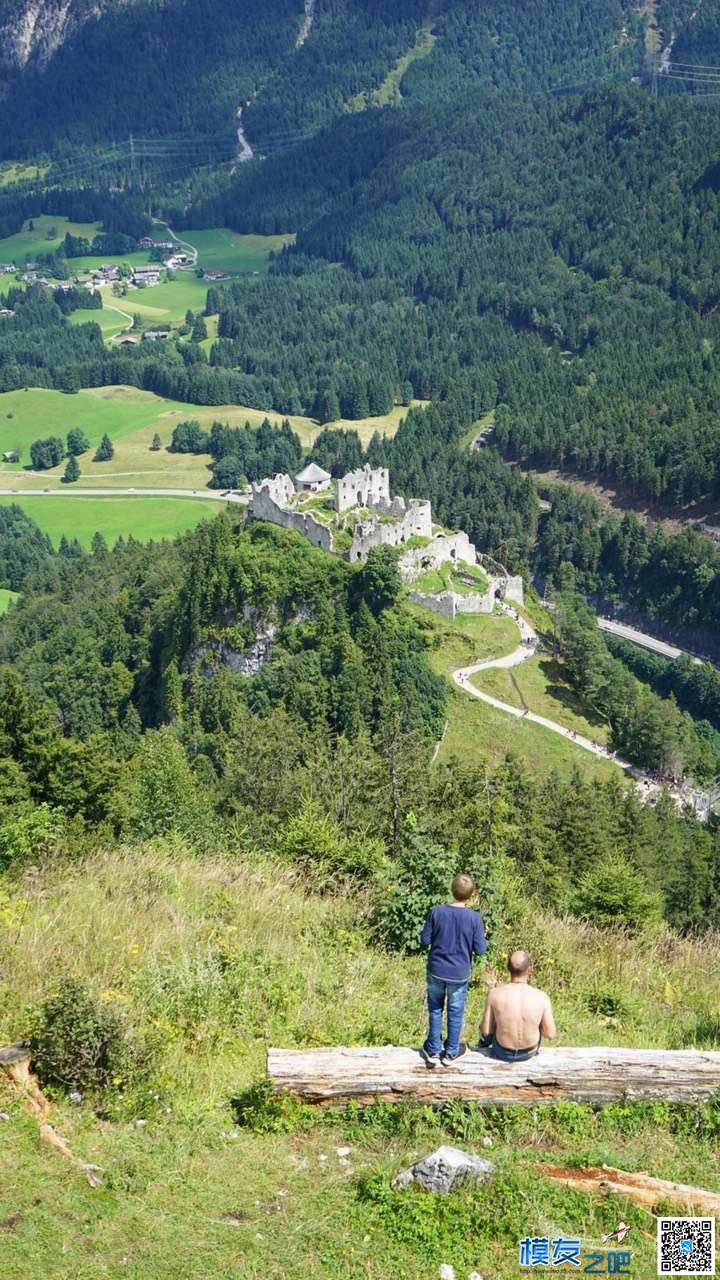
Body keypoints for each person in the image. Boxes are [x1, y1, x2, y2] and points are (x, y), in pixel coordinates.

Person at [419, 873, 487, 1067]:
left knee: (435, 1008)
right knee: (456, 1011)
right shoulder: (474, 918)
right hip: (459, 973)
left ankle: (432, 1049)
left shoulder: (436, 911)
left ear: (451, 889)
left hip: (436, 969)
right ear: (472, 894)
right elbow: (481, 949)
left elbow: (425, 940)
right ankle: (451, 1052)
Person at [477, 950, 556, 1062]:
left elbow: (486, 1030)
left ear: (508, 968)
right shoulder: (542, 997)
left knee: (494, 1020)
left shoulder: (494, 994)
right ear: (530, 968)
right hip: (529, 1052)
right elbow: (550, 1034)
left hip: (503, 1052)